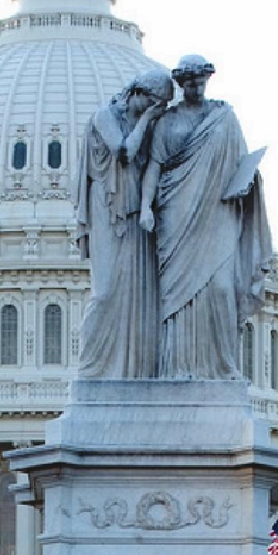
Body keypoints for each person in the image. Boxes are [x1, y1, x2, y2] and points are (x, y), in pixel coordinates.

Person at [140, 55, 274, 380]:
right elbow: (155, 167)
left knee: (222, 289)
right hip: (176, 214)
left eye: (201, 81)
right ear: (181, 84)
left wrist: (246, 184)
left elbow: (242, 163)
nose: (196, 87)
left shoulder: (224, 118)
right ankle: (177, 368)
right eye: (190, 82)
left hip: (218, 214)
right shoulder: (168, 123)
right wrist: (145, 206)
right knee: (176, 296)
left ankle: (222, 367)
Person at [75, 69, 174, 378]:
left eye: (159, 107)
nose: (154, 111)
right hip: (107, 207)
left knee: (137, 294)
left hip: (135, 213)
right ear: (138, 93)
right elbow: (123, 152)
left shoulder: (151, 125)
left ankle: (133, 371)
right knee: (104, 292)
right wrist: (145, 120)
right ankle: (91, 370)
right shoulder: (105, 116)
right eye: (153, 104)